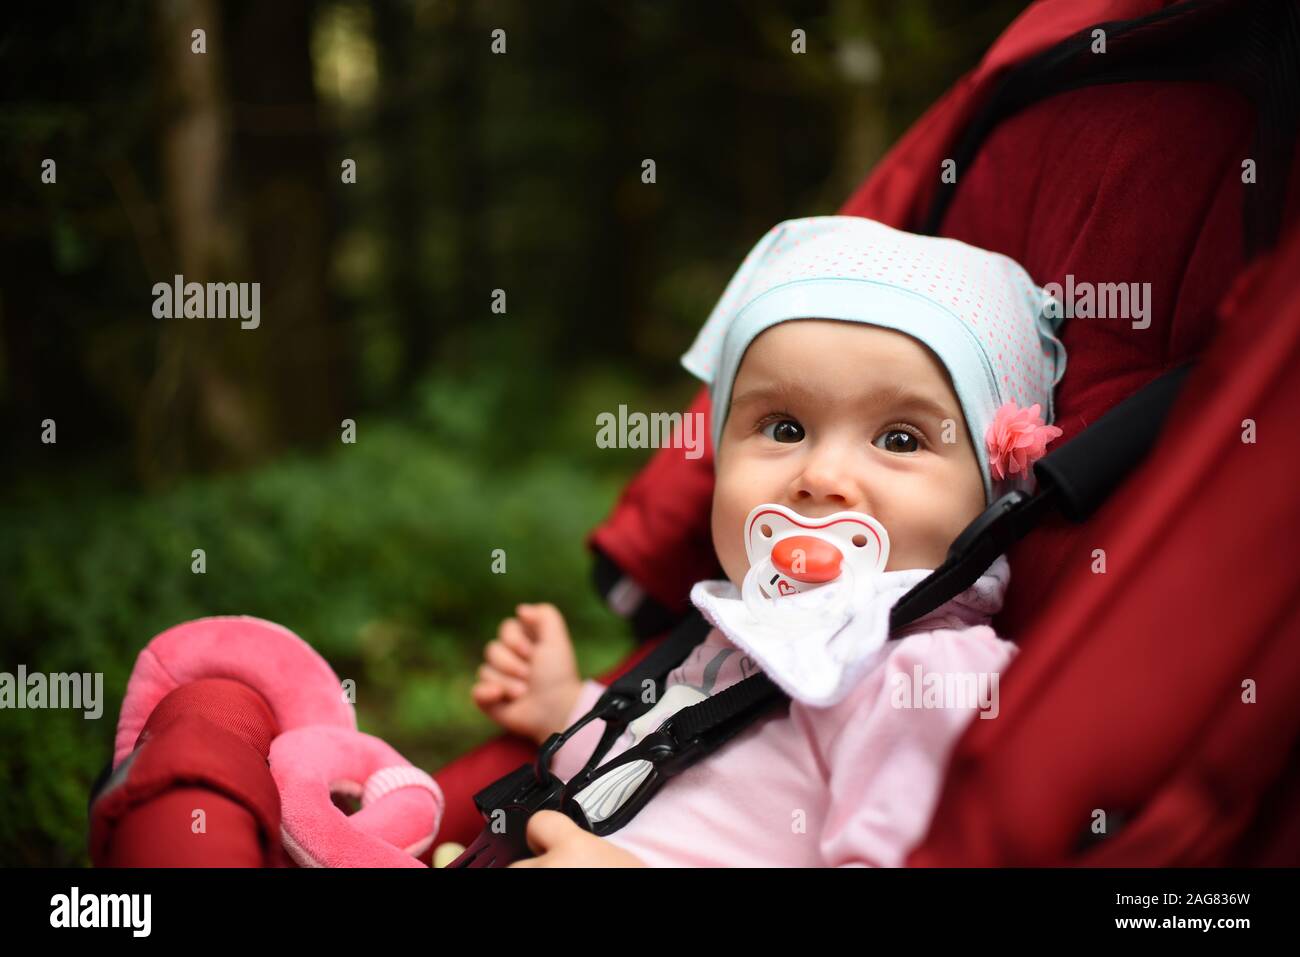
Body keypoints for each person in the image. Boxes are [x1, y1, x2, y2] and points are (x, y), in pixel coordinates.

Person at [470, 216, 1067, 866]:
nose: (822, 476)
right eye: (783, 428)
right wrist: (569, 707)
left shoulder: (923, 678)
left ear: (994, 496)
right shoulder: (743, 631)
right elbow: (683, 774)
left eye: (900, 439)